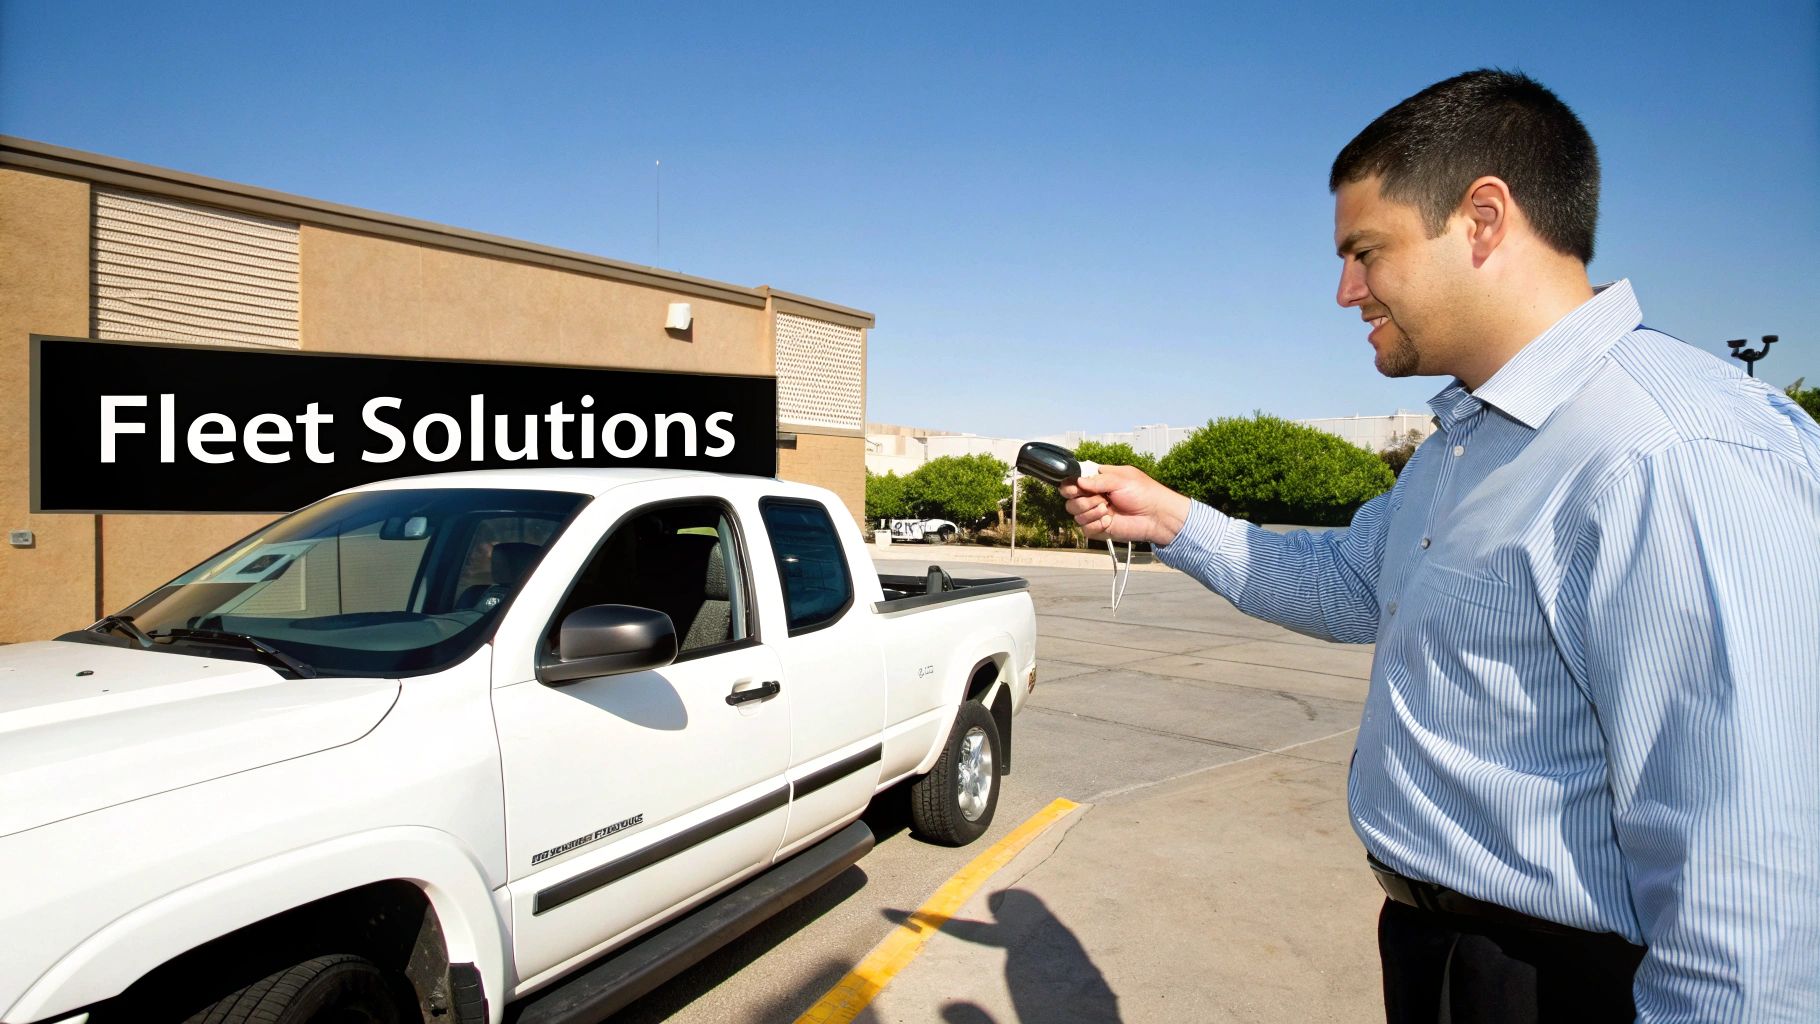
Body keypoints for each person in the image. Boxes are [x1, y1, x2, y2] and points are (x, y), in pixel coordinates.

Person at [1061, 69, 1819, 1023]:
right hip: (1440, 954)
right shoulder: (1460, 446)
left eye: (1363, 251)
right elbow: (1348, 584)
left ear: (1484, 219)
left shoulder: (1675, 452)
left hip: (1570, 984)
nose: (1345, 292)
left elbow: (1754, 901)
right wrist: (1167, 518)